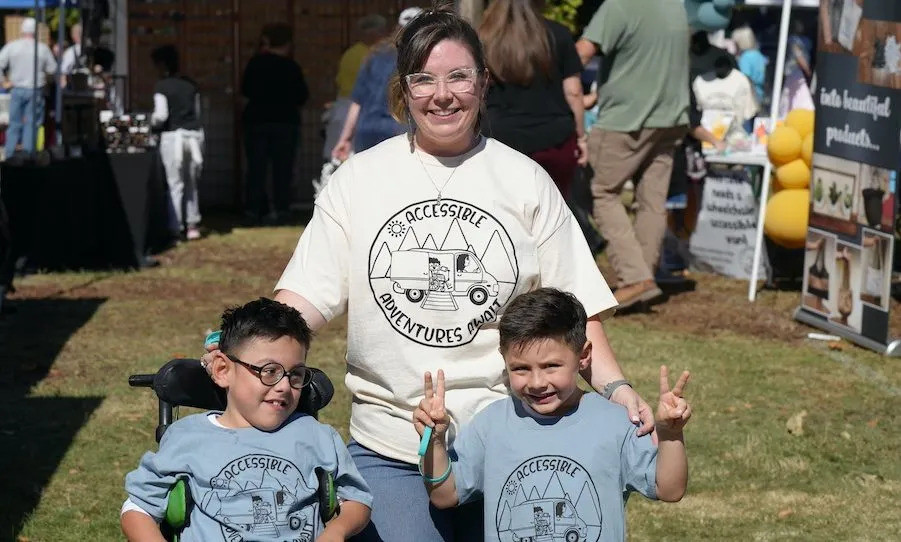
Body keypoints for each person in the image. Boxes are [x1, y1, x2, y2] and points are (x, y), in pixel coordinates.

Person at [202, 3, 653, 540]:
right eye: (424, 79)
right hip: (390, 445)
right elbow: (303, 297)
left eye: (459, 76)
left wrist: (619, 389)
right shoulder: (360, 179)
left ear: (484, 83)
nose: (442, 94)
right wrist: (241, 348)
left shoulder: (525, 180)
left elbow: (579, 314)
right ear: (404, 88)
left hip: (512, 437)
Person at [414, 288, 692, 541]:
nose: (536, 382)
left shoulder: (614, 422)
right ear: (504, 359)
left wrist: (670, 434)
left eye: (551, 366)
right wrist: (435, 441)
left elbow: (669, 489)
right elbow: (445, 495)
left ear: (583, 356)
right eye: (521, 369)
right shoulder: (491, 425)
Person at [121, 298, 373, 541]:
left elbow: (356, 500)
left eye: (295, 374)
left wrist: (336, 531)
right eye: (269, 371)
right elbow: (138, 509)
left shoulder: (317, 436)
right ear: (222, 370)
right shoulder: (187, 437)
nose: (284, 386)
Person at [575, 0, 690, 310]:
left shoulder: (619, 6)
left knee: (600, 191)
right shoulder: (674, 6)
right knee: (652, 201)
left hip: (627, 120)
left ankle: (635, 278)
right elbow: (645, 61)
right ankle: (645, 279)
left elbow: (579, 55)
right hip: (671, 116)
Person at [478, 0, 587, 199]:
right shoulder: (558, 34)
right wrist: (581, 137)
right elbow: (574, 92)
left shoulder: (483, 39)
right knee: (552, 212)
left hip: (500, 139)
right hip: (554, 140)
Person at [331, 8, 422, 160]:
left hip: (366, 128)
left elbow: (357, 101)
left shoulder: (375, 53)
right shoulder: (418, 58)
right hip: (398, 129)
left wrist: (345, 138)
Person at [241, 23, 309, 224]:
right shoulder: (292, 67)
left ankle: (254, 209)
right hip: (285, 122)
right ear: (288, 44)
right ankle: (282, 209)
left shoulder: (255, 63)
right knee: (283, 168)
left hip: (257, 121)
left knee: (256, 168)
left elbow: (245, 90)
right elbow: (302, 96)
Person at [150, 45, 204, 241]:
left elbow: (161, 115)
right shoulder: (191, 85)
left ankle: (175, 226)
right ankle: (192, 224)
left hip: (173, 138)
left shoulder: (161, 86)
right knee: (192, 183)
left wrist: (150, 121)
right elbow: (197, 113)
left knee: (175, 184)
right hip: (194, 136)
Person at [323, 14, 389, 161]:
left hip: (346, 108)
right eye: (383, 32)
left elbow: (340, 81)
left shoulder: (350, 53)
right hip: (361, 110)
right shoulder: (376, 55)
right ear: (374, 33)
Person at [0, 17, 57, 158]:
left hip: (16, 89)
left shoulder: (12, 47)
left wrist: (3, 82)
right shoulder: (42, 49)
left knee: (14, 123)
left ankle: (10, 154)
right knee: (31, 124)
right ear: (36, 31)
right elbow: (53, 69)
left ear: (22, 31)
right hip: (35, 90)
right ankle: (28, 155)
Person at [731, 26, 768, 106]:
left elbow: (745, 78)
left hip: (749, 97)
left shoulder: (745, 57)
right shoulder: (759, 55)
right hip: (760, 93)